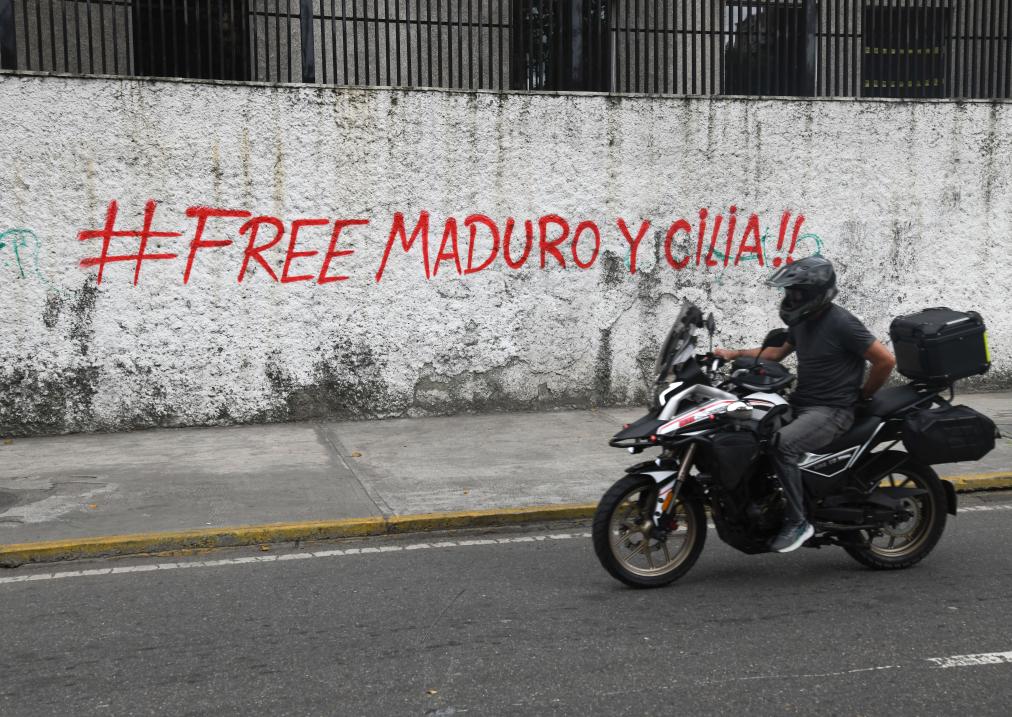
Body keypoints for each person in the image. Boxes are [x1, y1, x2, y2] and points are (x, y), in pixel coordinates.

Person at [715, 256, 896, 553]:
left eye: (797, 293)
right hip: (803, 403)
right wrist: (733, 354)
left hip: (832, 411)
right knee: (753, 429)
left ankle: (798, 521)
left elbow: (885, 360)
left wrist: (863, 394)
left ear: (816, 294)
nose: (791, 298)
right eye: (789, 292)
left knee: (783, 445)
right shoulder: (803, 322)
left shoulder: (842, 323)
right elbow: (775, 353)